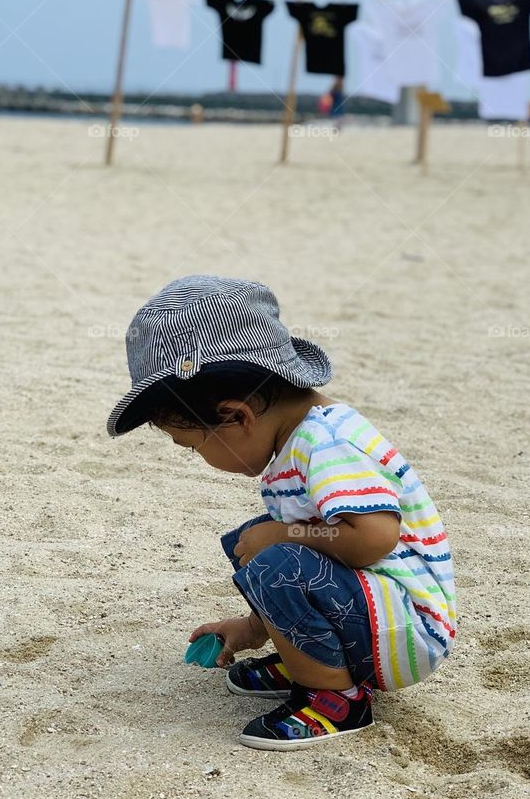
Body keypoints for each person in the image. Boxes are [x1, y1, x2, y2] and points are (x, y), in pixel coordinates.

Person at [106, 275, 457, 750]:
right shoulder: (301, 439)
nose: (198, 458)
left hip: (407, 631)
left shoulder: (327, 443)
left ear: (237, 417)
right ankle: (309, 659)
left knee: (273, 553)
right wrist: (252, 628)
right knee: (252, 540)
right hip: (374, 612)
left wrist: (283, 535)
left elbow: (374, 537)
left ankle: (337, 697)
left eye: (192, 446)